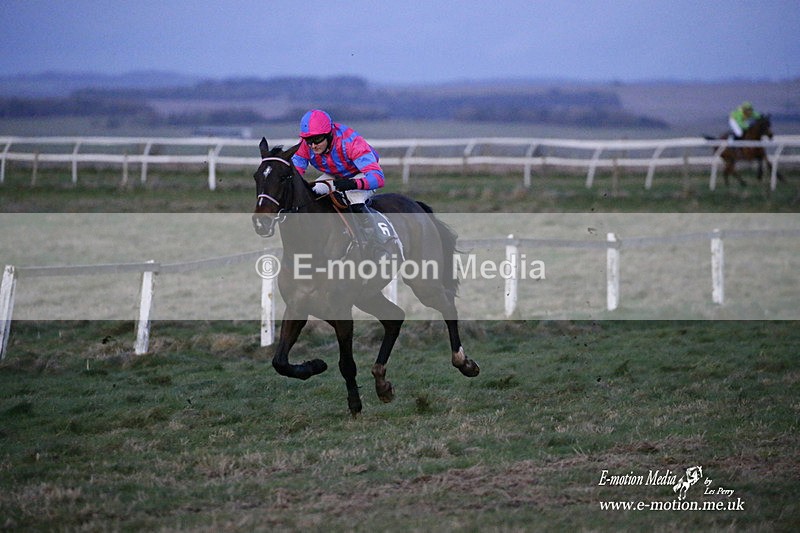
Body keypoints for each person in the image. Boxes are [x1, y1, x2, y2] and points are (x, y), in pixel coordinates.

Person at [291, 109, 394, 258]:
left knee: (355, 198)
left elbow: (378, 178)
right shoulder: (305, 145)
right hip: (336, 174)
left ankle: (377, 244)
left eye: (318, 139)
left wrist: (352, 184)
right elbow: (296, 174)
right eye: (309, 140)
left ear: (329, 134)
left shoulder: (351, 142)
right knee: (312, 193)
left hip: (360, 173)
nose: (313, 146)